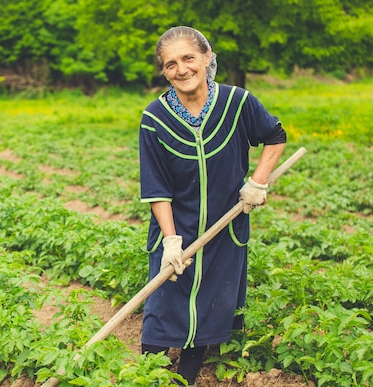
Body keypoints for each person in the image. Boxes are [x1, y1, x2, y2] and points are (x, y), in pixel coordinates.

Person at [138, 26, 287, 386]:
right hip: (176, 227)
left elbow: (274, 136)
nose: (181, 69)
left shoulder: (238, 103)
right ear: (164, 71)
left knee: (210, 303)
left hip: (225, 227)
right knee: (162, 306)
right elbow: (156, 187)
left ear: (207, 58)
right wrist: (171, 241)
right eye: (170, 64)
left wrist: (258, 182)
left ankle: (187, 374)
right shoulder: (155, 118)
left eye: (188, 58)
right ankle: (149, 374)